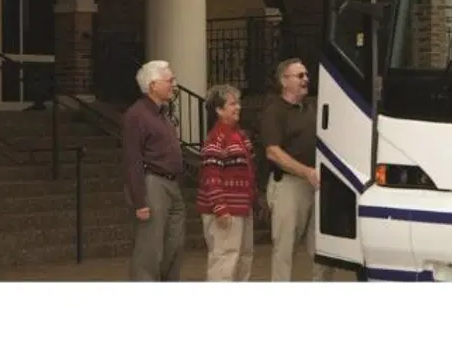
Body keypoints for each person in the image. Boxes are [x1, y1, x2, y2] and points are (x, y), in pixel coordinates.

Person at [260, 57, 328, 281]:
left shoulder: (311, 108)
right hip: (289, 185)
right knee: (285, 248)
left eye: (307, 75)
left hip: (316, 183)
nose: (306, 79)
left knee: (323, 246)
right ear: (284, 81)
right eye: (300, 76)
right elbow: (273, 152)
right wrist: (305, 171)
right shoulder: (274, 110)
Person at [123, 59, 186, 281]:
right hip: (152, 183)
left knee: (174, 243)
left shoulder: (162, 113)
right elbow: (133, 159)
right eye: (169, 80)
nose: (173, 84)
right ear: (153, 85)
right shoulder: (137, 115)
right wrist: (140, 201)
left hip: (172, 183)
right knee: (149, 249)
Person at [196, 83, 258, 281]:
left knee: (243, 257)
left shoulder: (239, 135)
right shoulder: (216, 138)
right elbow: (210, 176)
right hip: (226, 210)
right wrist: (220, 208)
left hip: (242, 209)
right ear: (219, 110)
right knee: (224, 259)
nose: (237, 107)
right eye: (232, 104)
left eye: (237, 103)